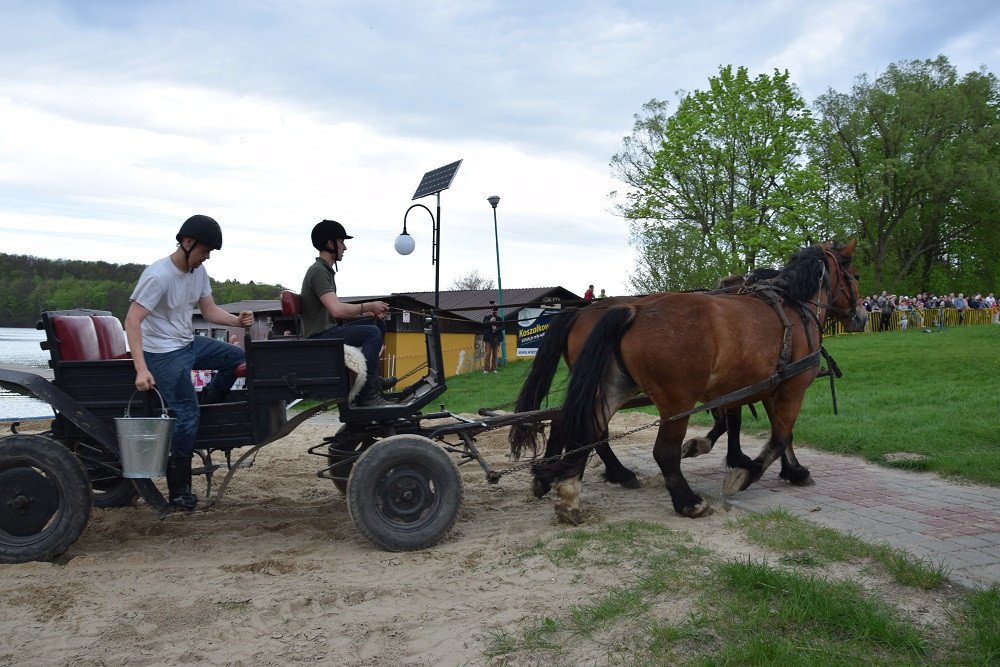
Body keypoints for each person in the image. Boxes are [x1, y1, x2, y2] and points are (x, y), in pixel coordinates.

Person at [124, 214, 253, 511]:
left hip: (187, 343)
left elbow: (209, 312)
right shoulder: (158, 275)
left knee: (237, 357)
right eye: (204, 250)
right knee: (185, 411)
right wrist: (141, 369)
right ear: (187, 242)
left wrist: (237, 321)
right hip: (162, 352)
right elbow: (131, 321)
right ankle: (179, 490)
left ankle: (208, 405)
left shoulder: (199, 272)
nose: (207, 257)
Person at [300, 219, 395, 406]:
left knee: (377, 323)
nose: (345, 247)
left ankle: (373, 381)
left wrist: (368, 314)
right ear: (330, 244)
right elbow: (337, 310)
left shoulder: (324, 270)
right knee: (372, 332)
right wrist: (370, 306)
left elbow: (335, 311)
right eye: (342, 242)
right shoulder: (319, 271)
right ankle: (367, 391)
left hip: (326, 333)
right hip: (319, 338)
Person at [482, 303, 503, 373]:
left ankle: (494, 369)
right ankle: (486, 369)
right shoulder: (486, 317)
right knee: (488, 354)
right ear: (491, 310)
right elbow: (484, 326)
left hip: (497, 338)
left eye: (496, 310)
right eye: (493, 309)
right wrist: (490, 322)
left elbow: (503, 327)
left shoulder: (500, 319)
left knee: (495, 355)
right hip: (488, 338)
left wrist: (497, 328)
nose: (495, 311)